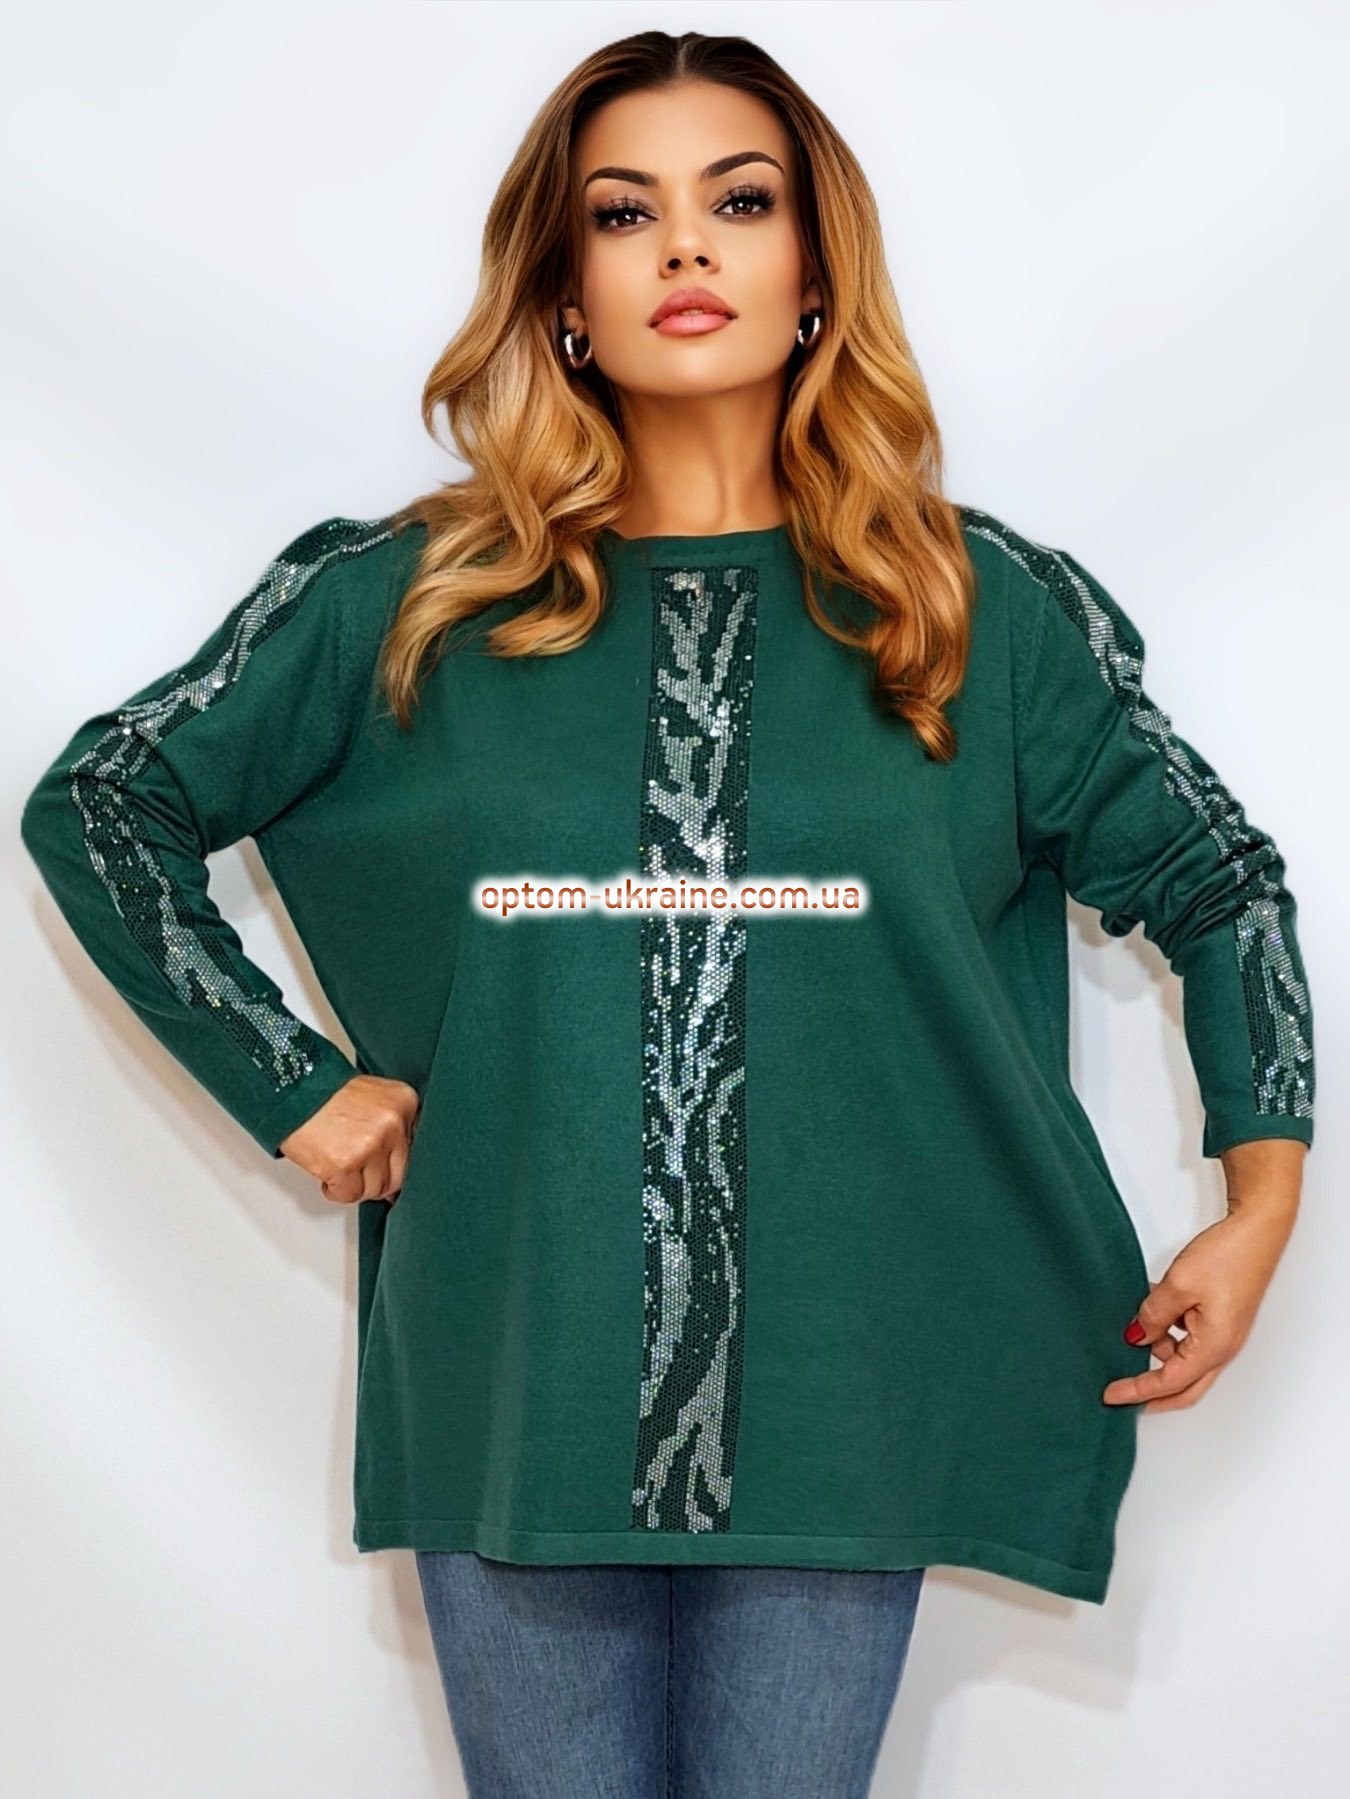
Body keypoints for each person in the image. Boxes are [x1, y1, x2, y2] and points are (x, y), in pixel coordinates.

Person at [18, 27, 1315, 1799]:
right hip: (518, 1370)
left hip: (854, 1385)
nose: (685, 245)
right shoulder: (407, 601)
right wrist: (289, 1082)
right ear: (562, 292)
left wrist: (1259, 1203)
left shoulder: (971, 610)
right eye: (623, 213)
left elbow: (1219, 883)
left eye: (740, 201)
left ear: (814, 269)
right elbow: (101, 801)